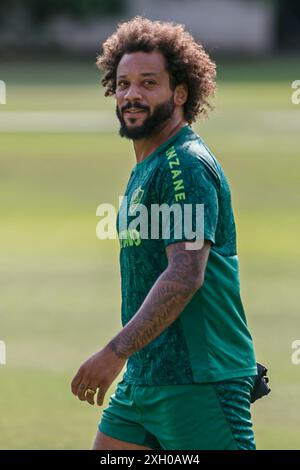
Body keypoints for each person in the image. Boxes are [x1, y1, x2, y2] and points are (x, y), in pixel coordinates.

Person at [71, 16, 258, 450]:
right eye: (123, 84)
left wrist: (114, 351)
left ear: (180, 92)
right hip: (146, 378)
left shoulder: (185, 166)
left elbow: (185, 274)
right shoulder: (149, 166)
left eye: (148, 83)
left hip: (197, 380)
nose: (131, 94)